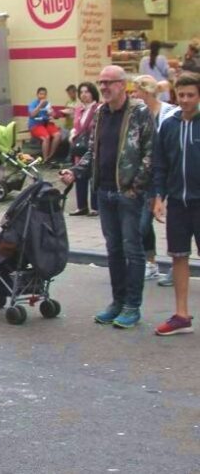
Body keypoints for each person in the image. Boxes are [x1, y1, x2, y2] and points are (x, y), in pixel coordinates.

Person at [61, 65, 154, 329]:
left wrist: (136, 186)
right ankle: (117, 302)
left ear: (122, 85)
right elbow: (93, 150)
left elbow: (149, 152)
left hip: (128, 193)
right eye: (100, 83)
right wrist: (77, 172)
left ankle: (132, 306)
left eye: (109, 83)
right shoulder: (101, 113)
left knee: (132, 249)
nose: (103, 88)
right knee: (113, 250)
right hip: (104, 191)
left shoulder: (139, 112)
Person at [152, 71, 200, 335]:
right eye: (181, 95)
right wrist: (159, 196)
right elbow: (160, 164)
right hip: (178, 203)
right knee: (178, 257)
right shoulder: (169, 125)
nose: (185, 100)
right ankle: (182, 316)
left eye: (190, 95)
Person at [132, 75, 180, 283]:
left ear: (146, 92)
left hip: (170, 174)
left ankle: (176, 266)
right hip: (147, 176)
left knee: (178, 224)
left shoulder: (169, 112)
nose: (133, 95)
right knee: (142, 224)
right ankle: (151, 263)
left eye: (136, 91)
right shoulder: (138, 114)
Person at [68, 81, 101, 217]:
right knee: (79, 174)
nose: (84, 94)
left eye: (87, 91)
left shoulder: (98, 108)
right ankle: (81, 206)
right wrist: (72, 133)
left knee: (93, 175)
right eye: (81, 92)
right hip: (79, 146)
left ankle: (95, 206)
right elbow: (76, 126)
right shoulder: (79, 109)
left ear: (93, 93)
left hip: (93, 146)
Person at [28, 87, 63, 164]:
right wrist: (40, 105)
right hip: (35, 125)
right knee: (46, 137)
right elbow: (32, 114)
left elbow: (55, 116)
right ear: (37, 95)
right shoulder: (33, 103)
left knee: (58, 135)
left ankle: (50, 156)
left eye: (44, 94)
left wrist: (53, 114)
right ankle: (45, 159)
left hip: (46, 124)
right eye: (41, 94)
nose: (42, 96)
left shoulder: (47, 104)